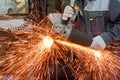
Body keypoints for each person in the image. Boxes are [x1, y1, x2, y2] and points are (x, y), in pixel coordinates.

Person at [55, 0, 120, 54]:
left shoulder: (112, 2)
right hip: (87, 57)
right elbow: (85, 24)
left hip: (110, 56)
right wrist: (73, 20)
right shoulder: (76, 2)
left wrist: (106, 38)